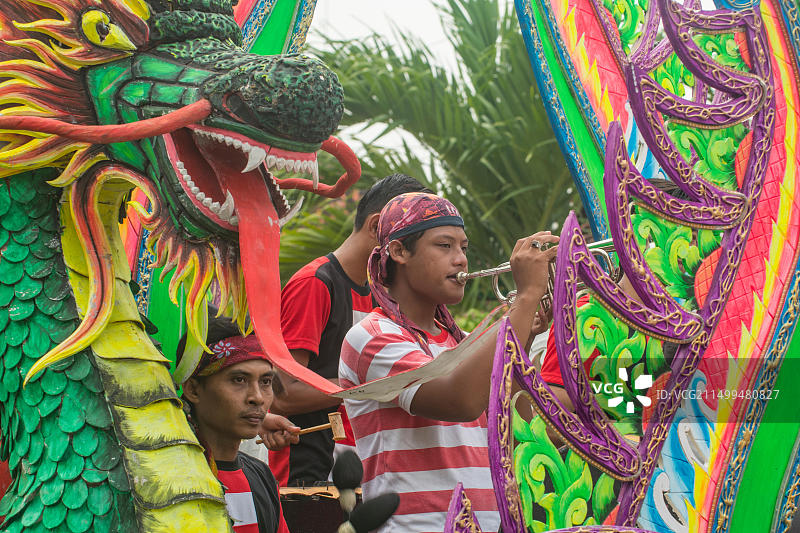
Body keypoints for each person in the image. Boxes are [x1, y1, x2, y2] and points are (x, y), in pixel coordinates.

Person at [338, 192, 558, 532]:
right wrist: (525, 298)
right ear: (398, 252)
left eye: (464, 248)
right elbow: (461, 402)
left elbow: (522, 425)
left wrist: (521, 339)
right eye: (444, 246)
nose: (460, 260)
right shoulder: (370, 335)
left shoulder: (466, 342)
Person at [269, 174, 430, 486]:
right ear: (375, 227)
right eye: (410, 240)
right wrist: (368, 385)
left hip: (362, 472)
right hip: (307, 478)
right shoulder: (315, 283)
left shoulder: (384, 293)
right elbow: (282, 394)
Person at [179, 318, 296, 533]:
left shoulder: (261, 476)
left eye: (266, 382)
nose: (257, 398)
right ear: (193, 389)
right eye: (239, 380)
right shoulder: (170, 477)